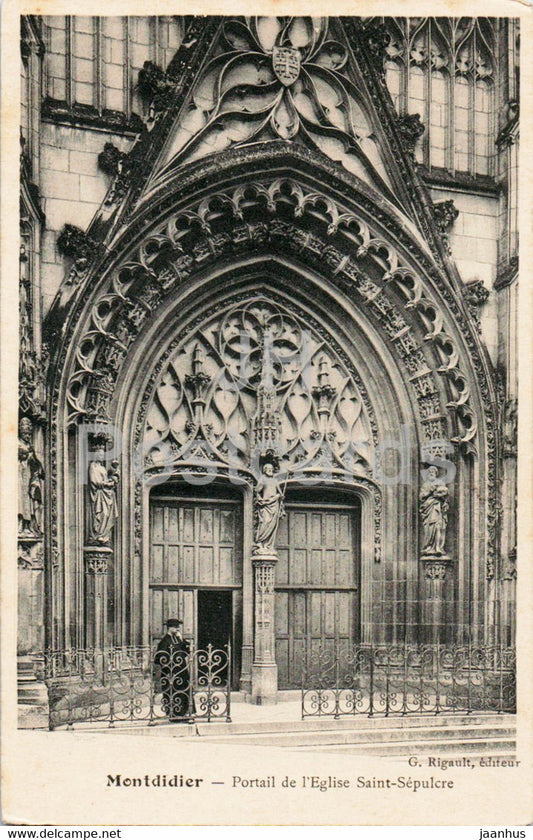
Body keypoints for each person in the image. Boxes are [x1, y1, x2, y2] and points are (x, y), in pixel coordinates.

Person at [153, 619, 191, 722]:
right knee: (172, 692)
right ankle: (174, 715)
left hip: (181, 671)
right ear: (169, 628)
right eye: (175, 627)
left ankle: (184, 713)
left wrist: (182, 639)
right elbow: (159, 658)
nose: (178, 629)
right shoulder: (165, 641)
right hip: (171, 673)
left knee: (183, 690)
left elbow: (187, 651)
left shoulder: (177, 639)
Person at [87, 448, 119, 545]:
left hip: (106, 494)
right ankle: (98, 534)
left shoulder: (103, 468)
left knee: (107, 514)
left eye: (103, 455)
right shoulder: (93, 466)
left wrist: (112, 478)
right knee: (102, 514)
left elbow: (104, 478)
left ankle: (104, 535)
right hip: (99, 494)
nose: (101, 457)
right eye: (100, 455)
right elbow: (94, 481)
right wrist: (106, 484)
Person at [253, 460, 286, 554]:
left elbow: (279, 492)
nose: (270, 470)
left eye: (271, 469)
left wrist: (280, 496)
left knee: (273, 524)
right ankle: (260, 542)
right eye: (268, 469)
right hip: (266, 505)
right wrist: (260, 500)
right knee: (265, 522)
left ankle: (268, 545)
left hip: (274, 504)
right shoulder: (263, 479)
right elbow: (257, 491)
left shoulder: (275, 480)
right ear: (264, 470)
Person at [18, 417, 44, 535]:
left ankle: (28, 526)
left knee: (29, 501)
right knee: (20, 502)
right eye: (25, 433)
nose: (27, 436)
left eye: (29, 434)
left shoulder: (30, 447)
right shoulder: (17, 444)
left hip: (28, 477)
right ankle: (19, 526)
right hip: (19, 476)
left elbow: (36, 462)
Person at [419, 465, 449, 556]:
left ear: (436, 473)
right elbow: (421, 497)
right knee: (429, 528)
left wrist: (440, 495)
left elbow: (445, 494)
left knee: (438, 527)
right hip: (428, 508)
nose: (431, 473)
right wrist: (430, 492)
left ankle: (438, 547)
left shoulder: (440, 483)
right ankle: (429, 546)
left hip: (437, 508)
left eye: (433, 472)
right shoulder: (426, 484)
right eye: (430, 472)